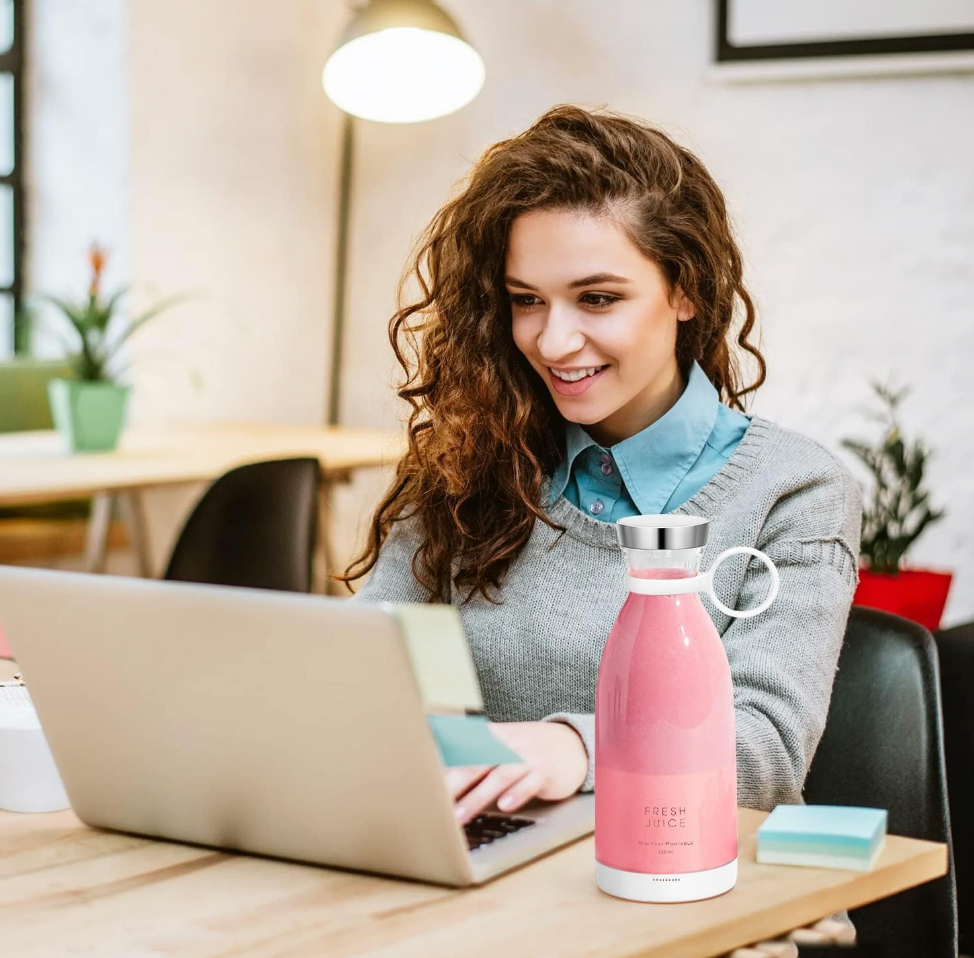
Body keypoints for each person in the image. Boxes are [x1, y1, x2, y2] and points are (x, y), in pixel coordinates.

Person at [338, 104, 862, 830]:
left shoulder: (795, 493)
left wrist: (572, 747)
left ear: (687, 291)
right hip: (492, 870)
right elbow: (362, 673)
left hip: (694, 887)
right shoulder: (473, 465)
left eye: (598, 298)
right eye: (527, 301)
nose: (554, 342)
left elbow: (764, 753)